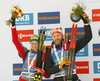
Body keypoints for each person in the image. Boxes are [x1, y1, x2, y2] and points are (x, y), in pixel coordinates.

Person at [45, 12, 92, 81]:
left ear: (62, 35)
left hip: (72, 77)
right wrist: (59, 66)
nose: (56, 38)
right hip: (58, 78)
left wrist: (86, 23)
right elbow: (48, 70)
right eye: (54, 36)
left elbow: (88, 37)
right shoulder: (50, 51)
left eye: (58, 35)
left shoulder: (71, 45)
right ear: (52, 38)